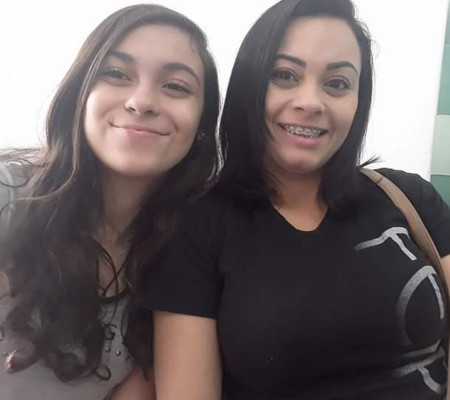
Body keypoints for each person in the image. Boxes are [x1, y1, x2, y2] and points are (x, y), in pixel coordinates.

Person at [142, 0, 450, 399]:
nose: (311, 102)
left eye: (337, 83)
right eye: (285, 75)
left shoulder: (408, 196)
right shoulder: (196, 228)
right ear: (251, 86)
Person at [0, 3, 219, 399]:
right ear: (80, 95)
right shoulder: (8, 198)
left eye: (175, 86)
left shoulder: (187, 254)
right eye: (117, 74)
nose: (142, 101)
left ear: (202, 125)